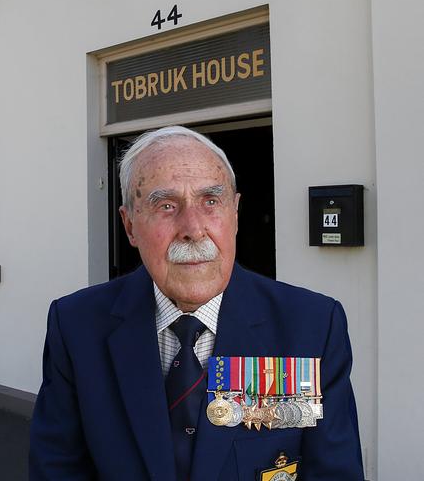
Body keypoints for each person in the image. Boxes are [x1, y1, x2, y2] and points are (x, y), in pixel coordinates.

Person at [29, 126, 364, 480]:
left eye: (210, 201)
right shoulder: (77, 326)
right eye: (166, 205)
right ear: (129, 226)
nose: (193, 228)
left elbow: (333, 472)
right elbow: (58, 470)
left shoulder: (310, 326)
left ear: (235, 214)